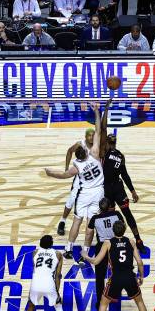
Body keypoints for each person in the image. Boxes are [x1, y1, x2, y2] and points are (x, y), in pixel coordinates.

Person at [45, 102, 103, 260]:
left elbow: (63, 176)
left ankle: (69, 249)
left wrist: (50, 173)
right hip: (98, 193)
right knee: (90, 225)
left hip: (84, 194)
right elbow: (98, 130)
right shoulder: (95, 153)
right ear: (86, 151)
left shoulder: (77, 166)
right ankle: (85, 251)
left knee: (77, 221)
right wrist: (97, 112)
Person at [81, 220, 155, 311]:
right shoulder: (131, 241)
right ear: (124, 229)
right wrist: (141, 276)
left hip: (116, 278)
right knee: (140, 302)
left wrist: (85, 255)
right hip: (130, 277)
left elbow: (96, 261)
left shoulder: (108, 243)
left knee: (103, 304)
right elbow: (140, 262)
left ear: (113, 231)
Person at [101, 132, 144, 251]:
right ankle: (137, 239)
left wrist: (133, 191)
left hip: (110, 189)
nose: (112, 145)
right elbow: (125, 175)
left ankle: (137, 239)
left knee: (114, 215)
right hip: (114, 188)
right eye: (111, 143)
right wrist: (133, 191)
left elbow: (124, 174)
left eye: (112, 143)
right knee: (125, 214)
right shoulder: (119, 155)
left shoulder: (106, 154)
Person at [24, 235, 68, 311]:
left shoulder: (34, 253)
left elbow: (36, 269)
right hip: (49, 283)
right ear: (52, 244)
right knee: (58, 305)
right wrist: (57, 290)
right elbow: (58, 275)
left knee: (30, 305)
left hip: (36, 283)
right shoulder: (58, 254)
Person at [84, 198, 124, 309]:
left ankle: (100, 301)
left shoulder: (95, 218)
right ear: (110, 206)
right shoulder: (116, 214)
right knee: (117, 272)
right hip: (115, 245)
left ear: (99, 208)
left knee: (100, 276)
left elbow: (88, 233)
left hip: (101, 246)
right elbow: (122, 226)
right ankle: (115, 295)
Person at [58, 127, 96, 236]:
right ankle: (62, 221)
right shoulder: (80, 144)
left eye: (93, 135)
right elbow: (69, 151)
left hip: (94, 178)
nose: (91, 137)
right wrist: (66, 168)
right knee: (71, 200)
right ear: (85, 136)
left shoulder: (97, 145)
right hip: (81, 178)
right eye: (89, 135)